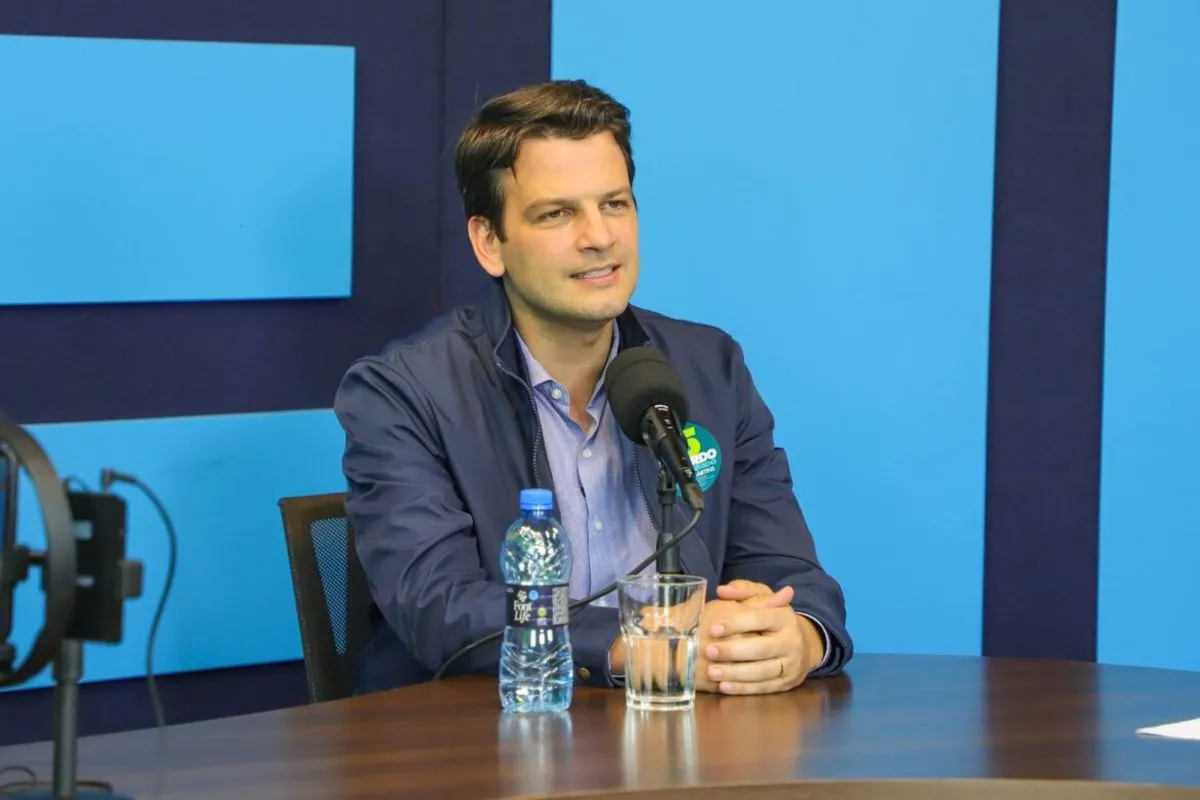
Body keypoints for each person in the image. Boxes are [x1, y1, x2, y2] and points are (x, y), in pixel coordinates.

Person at [334, 79, 852, 696]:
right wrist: (642, 644)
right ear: (488, 242)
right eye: (557, 213)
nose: (599, 237)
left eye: (615, 204)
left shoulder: (710, 365)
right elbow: (442, 610)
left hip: (684, 744)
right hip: (483, 743)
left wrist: (798, 637)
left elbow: (791, 572)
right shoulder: (404, 393)